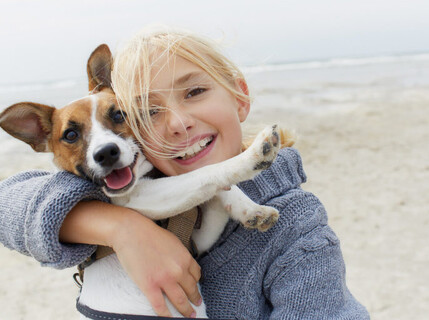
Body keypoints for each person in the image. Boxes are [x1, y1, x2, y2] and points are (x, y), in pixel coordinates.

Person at [0, 26, 369, 319]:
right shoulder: (95, 189)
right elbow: (7, 204)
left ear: (240, 96)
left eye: (194, 91)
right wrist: (118, 228)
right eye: (149, 110)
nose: (178, 123)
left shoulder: (299, 229)